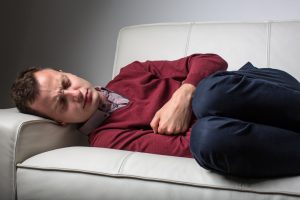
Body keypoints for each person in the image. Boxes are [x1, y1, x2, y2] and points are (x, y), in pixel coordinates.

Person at [10, 53, 300, 178]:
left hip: (266, 93)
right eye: (62, 103)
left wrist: (184, 95)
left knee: (211, 94)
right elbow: (183, 148)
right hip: (240, 136)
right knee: (207, 138)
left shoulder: (131, 72)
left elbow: (211, 61)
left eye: (65, 83)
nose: (75, 93)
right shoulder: (108, 139)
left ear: (65, 72)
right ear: (61, 122)